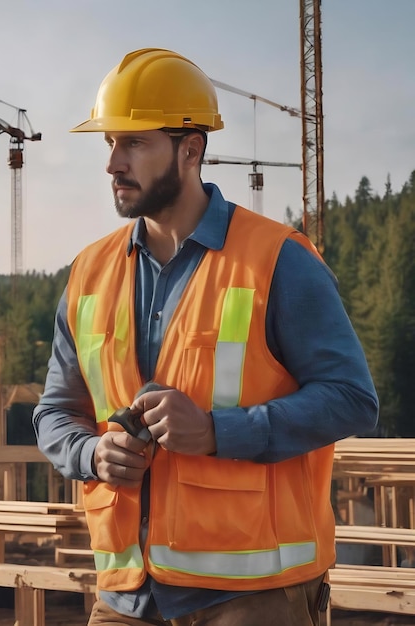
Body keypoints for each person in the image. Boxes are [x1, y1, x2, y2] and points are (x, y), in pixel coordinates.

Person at [33, 48, 379, 626]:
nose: (113, 163)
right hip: (125, 599)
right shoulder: (88, 276)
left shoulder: (278, 260)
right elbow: (54, 412)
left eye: (135, 143)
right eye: (109, 143)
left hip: (252, 599)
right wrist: (93, 452)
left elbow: (352, 400)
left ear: (191, 149)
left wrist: (217, 432)